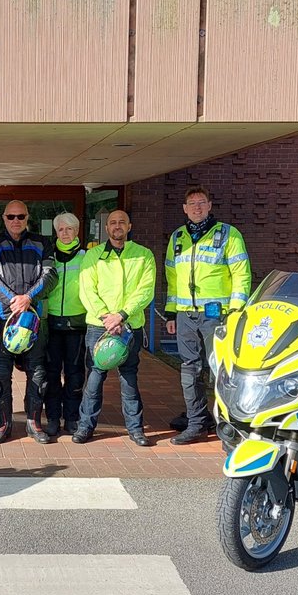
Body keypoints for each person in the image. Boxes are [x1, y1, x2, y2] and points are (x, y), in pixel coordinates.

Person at [164, 186, 251, 446]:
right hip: (185, 316)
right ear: (184, 208)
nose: (197, 208)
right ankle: (197, 422)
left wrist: (235, 311)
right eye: (192, 204)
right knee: (190, 369)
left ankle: (228, 423)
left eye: (201, 203)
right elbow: (172, 276)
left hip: (218, 316)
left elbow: (242, 274)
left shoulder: (228, 234)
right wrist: (170, 312)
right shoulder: (177, 237)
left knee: (220, 371)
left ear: (210, 205)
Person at [73, 210, 157, 446]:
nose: (117, 226)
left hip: (130, 326)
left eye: (121, 222)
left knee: (129, 378)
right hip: (99, 327)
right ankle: (85, 427)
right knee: (95, 378)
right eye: (112, 223)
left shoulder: (144, 255)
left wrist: (121, 315)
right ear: (106, 228)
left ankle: (135, 429)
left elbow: (146, 290)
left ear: (129, 226)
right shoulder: (93, 255)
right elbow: (87, 290)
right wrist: (106, 318)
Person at [0, 200, 57, 444]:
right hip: (3, 319)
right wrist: (14, 300)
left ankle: (33, 423)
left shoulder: (42, 242)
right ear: (3, 218)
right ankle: (3, 424)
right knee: (1, 376)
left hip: (33, 319)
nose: (16, 221)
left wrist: (28, 298)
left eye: (20, 216)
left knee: (38, 374)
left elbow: (51, 275)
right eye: (11, 216)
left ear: (27, 217)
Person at [44, 212, 88, 438]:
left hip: (77, 322)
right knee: (51, 373)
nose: (65, 233)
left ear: (77, 230)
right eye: (61, 229)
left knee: (74, 373)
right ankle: (52, 417)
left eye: (69, 229)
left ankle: (71, 417)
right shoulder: (48, 256)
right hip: (51, 321)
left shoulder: (87, 256)